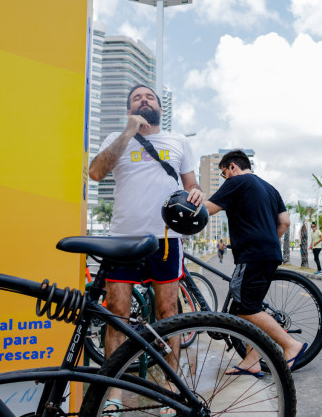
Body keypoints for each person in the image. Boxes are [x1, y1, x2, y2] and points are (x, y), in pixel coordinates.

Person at [89, 84, 205, 412]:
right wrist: (128, 131)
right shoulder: (116, 136)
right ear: (129, 109)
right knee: (117, 315)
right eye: (137, 98)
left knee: (169, 312)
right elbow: (96, 172)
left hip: (165, 239)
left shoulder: (179, 141)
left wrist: (196, 193)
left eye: (149, 97)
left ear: (159, 107)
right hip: (122, 238)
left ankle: (171, 386)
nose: (144, 100)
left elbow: (191, 185)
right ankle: (113, 393)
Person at [203, 149, 306, 375]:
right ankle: (251, 360)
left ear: (232, 167)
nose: (225, 178)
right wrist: (268, 240)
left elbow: (207, 210)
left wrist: (183, 214)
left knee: (247, 309)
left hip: (252, 254)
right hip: (269, 252)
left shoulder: (238, 181)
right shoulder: (270, 188)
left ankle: (290, 345)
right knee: (246, 306)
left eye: (223, 173)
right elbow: (285, 222)